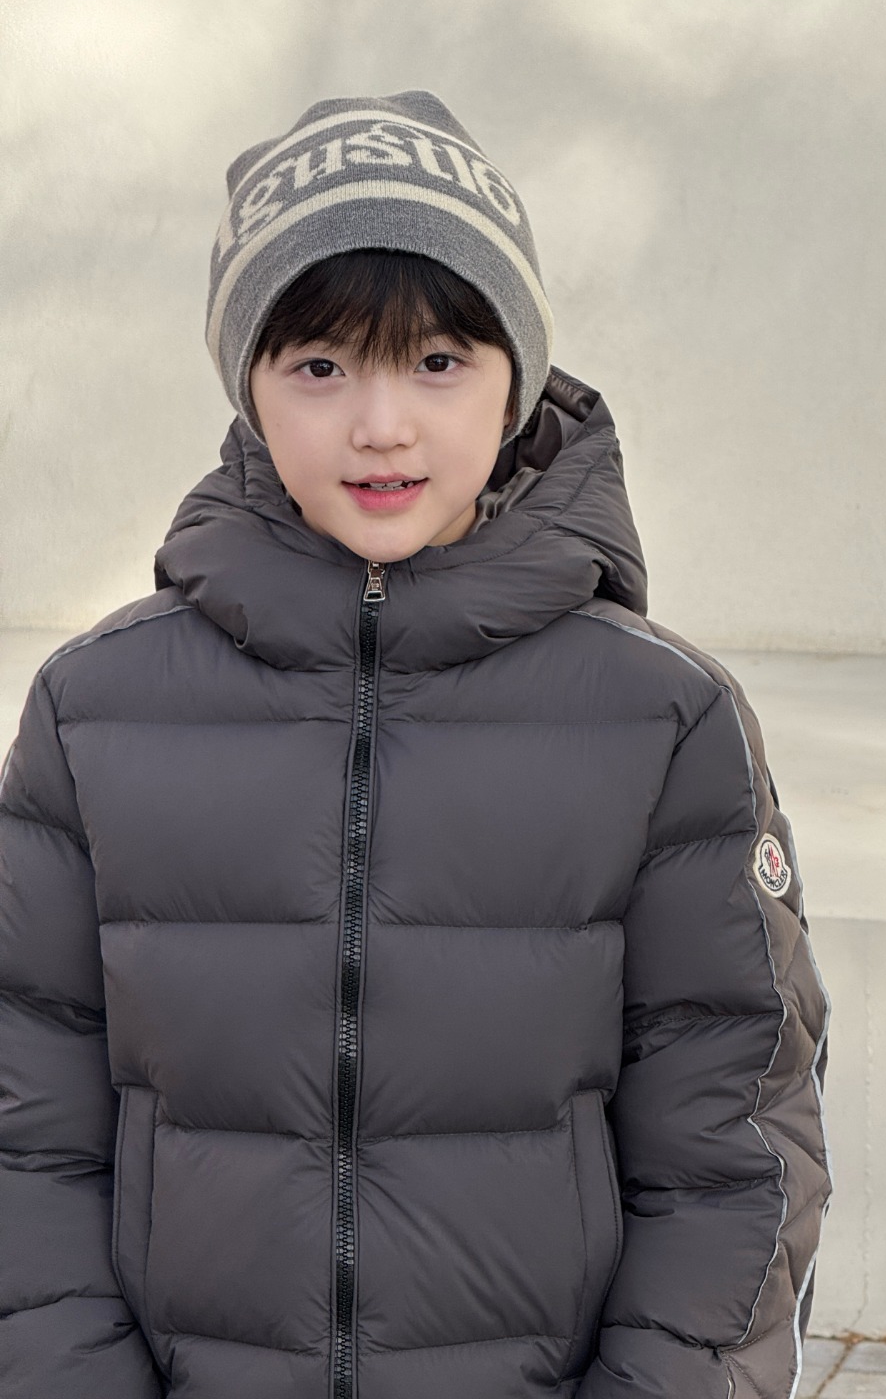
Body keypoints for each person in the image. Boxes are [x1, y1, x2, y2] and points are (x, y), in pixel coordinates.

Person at [0, 91, 831, 1399]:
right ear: (249, 386)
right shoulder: (96, 709)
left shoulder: (662, 718)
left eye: (438, 361)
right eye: (320, 366)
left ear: (516, 379)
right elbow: (27, 1132)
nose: (381, 424)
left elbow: (733, 1151)